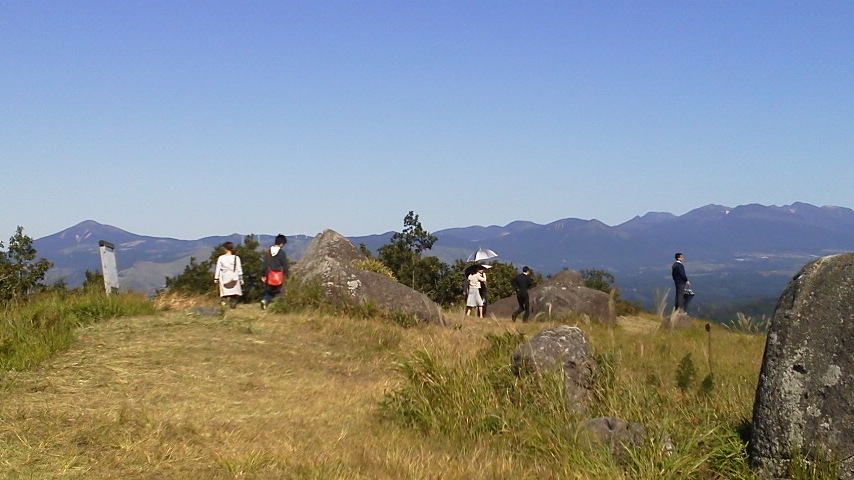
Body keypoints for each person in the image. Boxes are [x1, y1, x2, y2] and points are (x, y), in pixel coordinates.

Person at [261, 234, 289, 310]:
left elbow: (265, 264)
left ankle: (265, 300)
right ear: (282, 243)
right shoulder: (281, 253)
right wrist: (287, 275)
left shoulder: (268, 252)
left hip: (269, 274)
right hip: (278, 275)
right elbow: (285, 265)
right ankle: (278, 305)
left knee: (270, 290)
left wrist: (263, 275)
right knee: (279, 291)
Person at [214, 241, 243, 308]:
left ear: (225, 249)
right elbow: (239, 269)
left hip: (224, 277)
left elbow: (218, 268)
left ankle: (223, 302)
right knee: (235, 293)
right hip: (234, 277)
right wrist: (241, 278)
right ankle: (233, 303)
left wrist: (216, 278)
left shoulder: (221, 258)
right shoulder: (236, 258)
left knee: (225, 293)